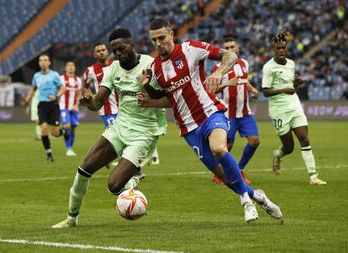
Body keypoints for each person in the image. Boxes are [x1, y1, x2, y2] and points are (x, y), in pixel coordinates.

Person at [137, 17, 282, 223]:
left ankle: (245, 201)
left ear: (172, 34)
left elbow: (230, 55)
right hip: (188, 129)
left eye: (162, 37)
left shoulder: (190, 49)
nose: (158, 43)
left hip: (210, 113)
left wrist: (220, 72)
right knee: (223, 176)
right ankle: (258, 196)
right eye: (154, 40)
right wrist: (148, 101)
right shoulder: (156, 69)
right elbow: (171, 101)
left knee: (219, 148)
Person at [52, 28, 167, 228]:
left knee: (114, 186)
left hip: (144, 133)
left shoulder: (151, 64)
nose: (118, 54)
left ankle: (131, 185)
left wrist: (147, 87)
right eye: (115, 51)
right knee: (83, 170)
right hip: (120, 127)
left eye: (121, 48)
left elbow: (165, 98)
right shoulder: (114, 68)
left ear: (131, 44)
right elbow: (98, 103)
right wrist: (88, 101)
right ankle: (71, 219)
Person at [262, 31, 327, 185]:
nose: (281, 51)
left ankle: (313, 177)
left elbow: (290, 83)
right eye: (278, 48)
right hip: (278, 110)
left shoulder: (291, 64)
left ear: (287, 48)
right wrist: (284, 89)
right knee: (289, 147)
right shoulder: (268, 67)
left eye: (283, 48)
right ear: (274, 50)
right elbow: (265, 91)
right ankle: (278, 155)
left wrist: (297, 83)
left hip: (294, 105)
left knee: (304, 138)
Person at [83, 42, 160, 167]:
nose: (102, 52)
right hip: (106, 111)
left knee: (129, 137)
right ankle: (134, 165)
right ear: (94, 54)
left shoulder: (118, 65)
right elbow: (86, 87)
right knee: (122, 138)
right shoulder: (90, 71)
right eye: (98, 51)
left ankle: (136, 164)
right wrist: (88, 96)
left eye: (103, 49)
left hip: (125, 109)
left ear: (108, 52)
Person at [211, 37, 260, 185]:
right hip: (228, 114)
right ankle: (218, 172)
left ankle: (239, 169)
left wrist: (252, 90)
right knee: (226, 146)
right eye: (227, 48)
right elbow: (213, 89)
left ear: (237, 47)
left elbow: (245, 80)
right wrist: (226, 83)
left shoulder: (244, 63)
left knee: (255, 141)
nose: (230, 50)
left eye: (232, 47)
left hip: (245, 112)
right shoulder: (219, 67)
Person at [24, 54, 66, 162]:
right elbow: (34, 88)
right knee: (43, 129)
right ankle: (49, 155)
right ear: (39, 63)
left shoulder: (55, 75)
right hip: (42, 105)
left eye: (45, 60)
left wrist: (56, 96)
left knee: (55, 133)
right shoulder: (36, 76)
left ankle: (64, 132)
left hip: (53, 105)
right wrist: (28, 97)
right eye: (41, 60)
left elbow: (62, 88)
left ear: (49, 62)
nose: (43, 62)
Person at [59, 61, 82, 156]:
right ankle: (68, 148)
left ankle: (70, 148)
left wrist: (76, 105)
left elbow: (79, 94)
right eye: (69, 65)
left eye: (72, 65)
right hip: (63, 107)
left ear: (75, 68)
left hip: (74, 108)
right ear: (65, 68)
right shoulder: (61, 79)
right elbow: (58, 90)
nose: (71, 67)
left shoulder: (78, 80)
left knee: (73, 128)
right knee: (67, 126)